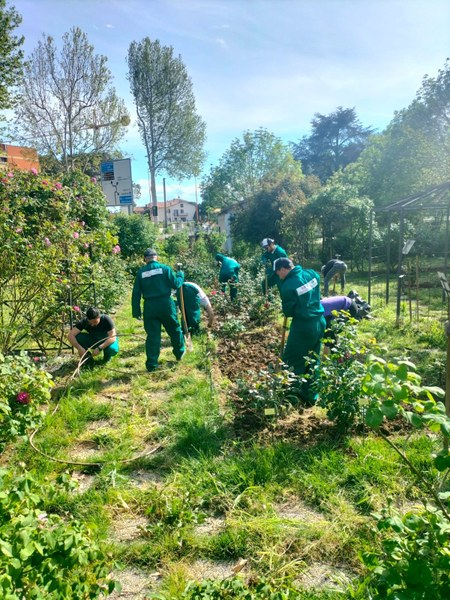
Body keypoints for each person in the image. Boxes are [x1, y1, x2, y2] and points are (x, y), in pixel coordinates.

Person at [274, 257, 326, 405]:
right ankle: (310, 396)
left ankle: (289, 397)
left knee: (292, 359)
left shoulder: (288, 285)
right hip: (319, 321)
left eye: (278, 273)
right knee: (313, 360)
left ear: (283, 269)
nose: (279, 276)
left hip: (303, 326)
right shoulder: (311, 274)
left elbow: (289, 311)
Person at [132, 248, 185, 372]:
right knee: (174, 329)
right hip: (165, 304)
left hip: (150, 307)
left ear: (145, 259)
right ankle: (179, 353)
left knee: (153, 336)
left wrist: (136, 311)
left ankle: (151, 365)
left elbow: (136, 293)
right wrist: (180, 275)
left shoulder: (140, 273)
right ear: (156, 257)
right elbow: (176, 284)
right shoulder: (165, 269)